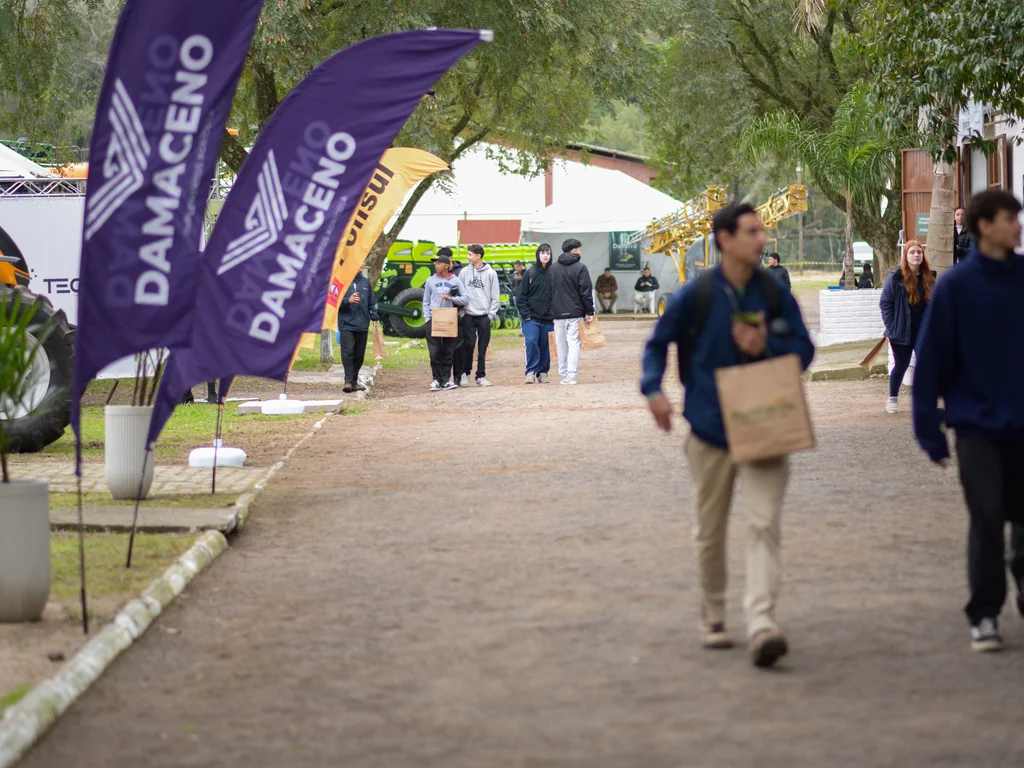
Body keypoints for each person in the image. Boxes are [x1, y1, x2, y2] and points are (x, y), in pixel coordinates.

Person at [640, 203, 814, 668]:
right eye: (752, 231)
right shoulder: (695, 294)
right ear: (724, 239)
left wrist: (770, 346)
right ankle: (713, 615)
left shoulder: (774, 293)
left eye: (762, 231)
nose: (762, 239)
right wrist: (653, 389)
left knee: (763, 525)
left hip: (767, 424)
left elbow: (804, 349)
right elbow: (657, 345)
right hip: (710, 430)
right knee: (711, 531)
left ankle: (761, 623)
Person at [912, 189, 1024, 652]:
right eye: (1010, 219)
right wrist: (928, 430)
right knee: (986, 517)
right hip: (975, 426)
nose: (1018, 226)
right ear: (984, 226)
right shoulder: (956, 287)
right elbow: (932, 359)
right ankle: (985, 613)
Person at [879, 240, 934, 413]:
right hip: (901, 330)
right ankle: (892, 398)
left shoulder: (929, 277)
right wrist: (892, 326)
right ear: (906, 256)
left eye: (919, 252)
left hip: (923, 331)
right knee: (901, 365)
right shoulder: (895, 278)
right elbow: (885, 303)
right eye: (912, 252)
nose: (916, 255)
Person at [549, 238, 595, 386]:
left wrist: (550, 311)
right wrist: (590, 311)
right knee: (574, 343)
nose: (580, 252)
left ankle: (563, 373)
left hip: (557, 313)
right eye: (579, 249)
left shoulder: (553, 268)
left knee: (561, 344)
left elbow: (548, 292)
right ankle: (571, 375)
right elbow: (585, 292)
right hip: (575, 312)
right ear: (574, 250)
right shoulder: (581, 268)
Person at [423, 252, 468, 391]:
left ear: (447, 265)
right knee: (435, 351)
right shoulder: (430, 281)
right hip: (434, 319)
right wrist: (427, 318)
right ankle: (436, 379)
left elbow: (465, 298)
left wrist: (452, 299)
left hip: (450, 319)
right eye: (435, 263)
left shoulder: (455, 280)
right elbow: (425, 301)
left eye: (439, 263)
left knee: (449, 351)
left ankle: (446, 379)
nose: (436, 265)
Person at [456, 244, 500, 387]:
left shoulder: (490, 273)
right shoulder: (464, 272)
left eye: (470, 254)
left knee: (482, 347)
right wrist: (462, 313)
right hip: (468, 314)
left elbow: (495, 296)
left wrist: (491, 315)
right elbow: (460, 293)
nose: (468, 257)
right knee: (468, 345)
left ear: (478, 256)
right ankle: (465, 373)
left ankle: (481, 375)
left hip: (484, 316)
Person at [336, 267, 379, 393]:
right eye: (359, 263)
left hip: (362, 324)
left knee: (359, 355)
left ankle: (354, 382)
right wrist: (347, 301)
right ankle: (348, 381)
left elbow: (371, 301)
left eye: (362, 264)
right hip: (346, 324)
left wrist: (374, 316)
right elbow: (335, 301)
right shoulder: (342, 281)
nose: (361, 266)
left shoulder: (365, 282)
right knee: (348, 352)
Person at [517, 243, 555, 384]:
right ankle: (531, 371)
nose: (545, 255)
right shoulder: (530, 272)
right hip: (531, 317)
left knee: (545, 345)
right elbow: (521, 295)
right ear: (538, 255)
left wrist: (554, 313)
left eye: (548, 253)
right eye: (543, 253)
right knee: (532, 341)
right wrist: (525, 314)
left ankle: (543, 372)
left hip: (548, 318)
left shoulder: (554, 273)